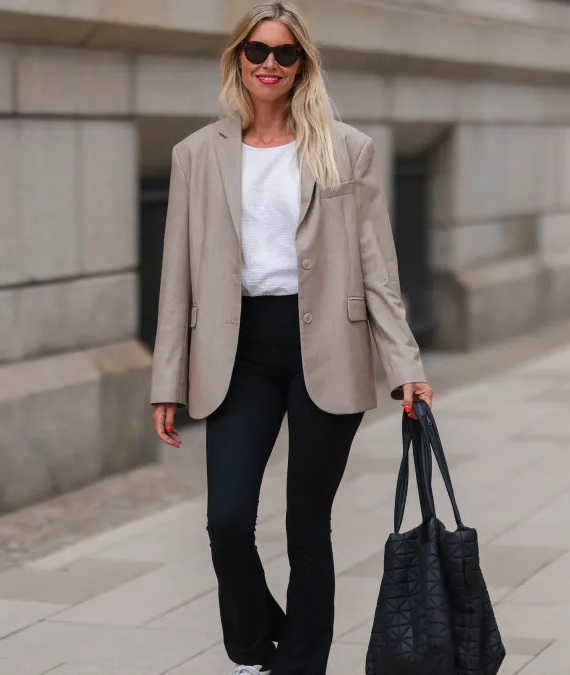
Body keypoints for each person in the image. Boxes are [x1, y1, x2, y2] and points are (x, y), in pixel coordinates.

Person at [148, 3, 433, 674]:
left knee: (308, 526)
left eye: (284, 53)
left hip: (326, 349)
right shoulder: (196, 155)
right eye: (257, 51)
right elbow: (176, 277)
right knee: (225, 522)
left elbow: (377, 268)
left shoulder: (344, 148)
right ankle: (254, 646)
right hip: (238, 352)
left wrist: (405, 367)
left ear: (302, 63)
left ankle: (299, 665)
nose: (269, 64)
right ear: (237, 59)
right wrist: (167, 379)